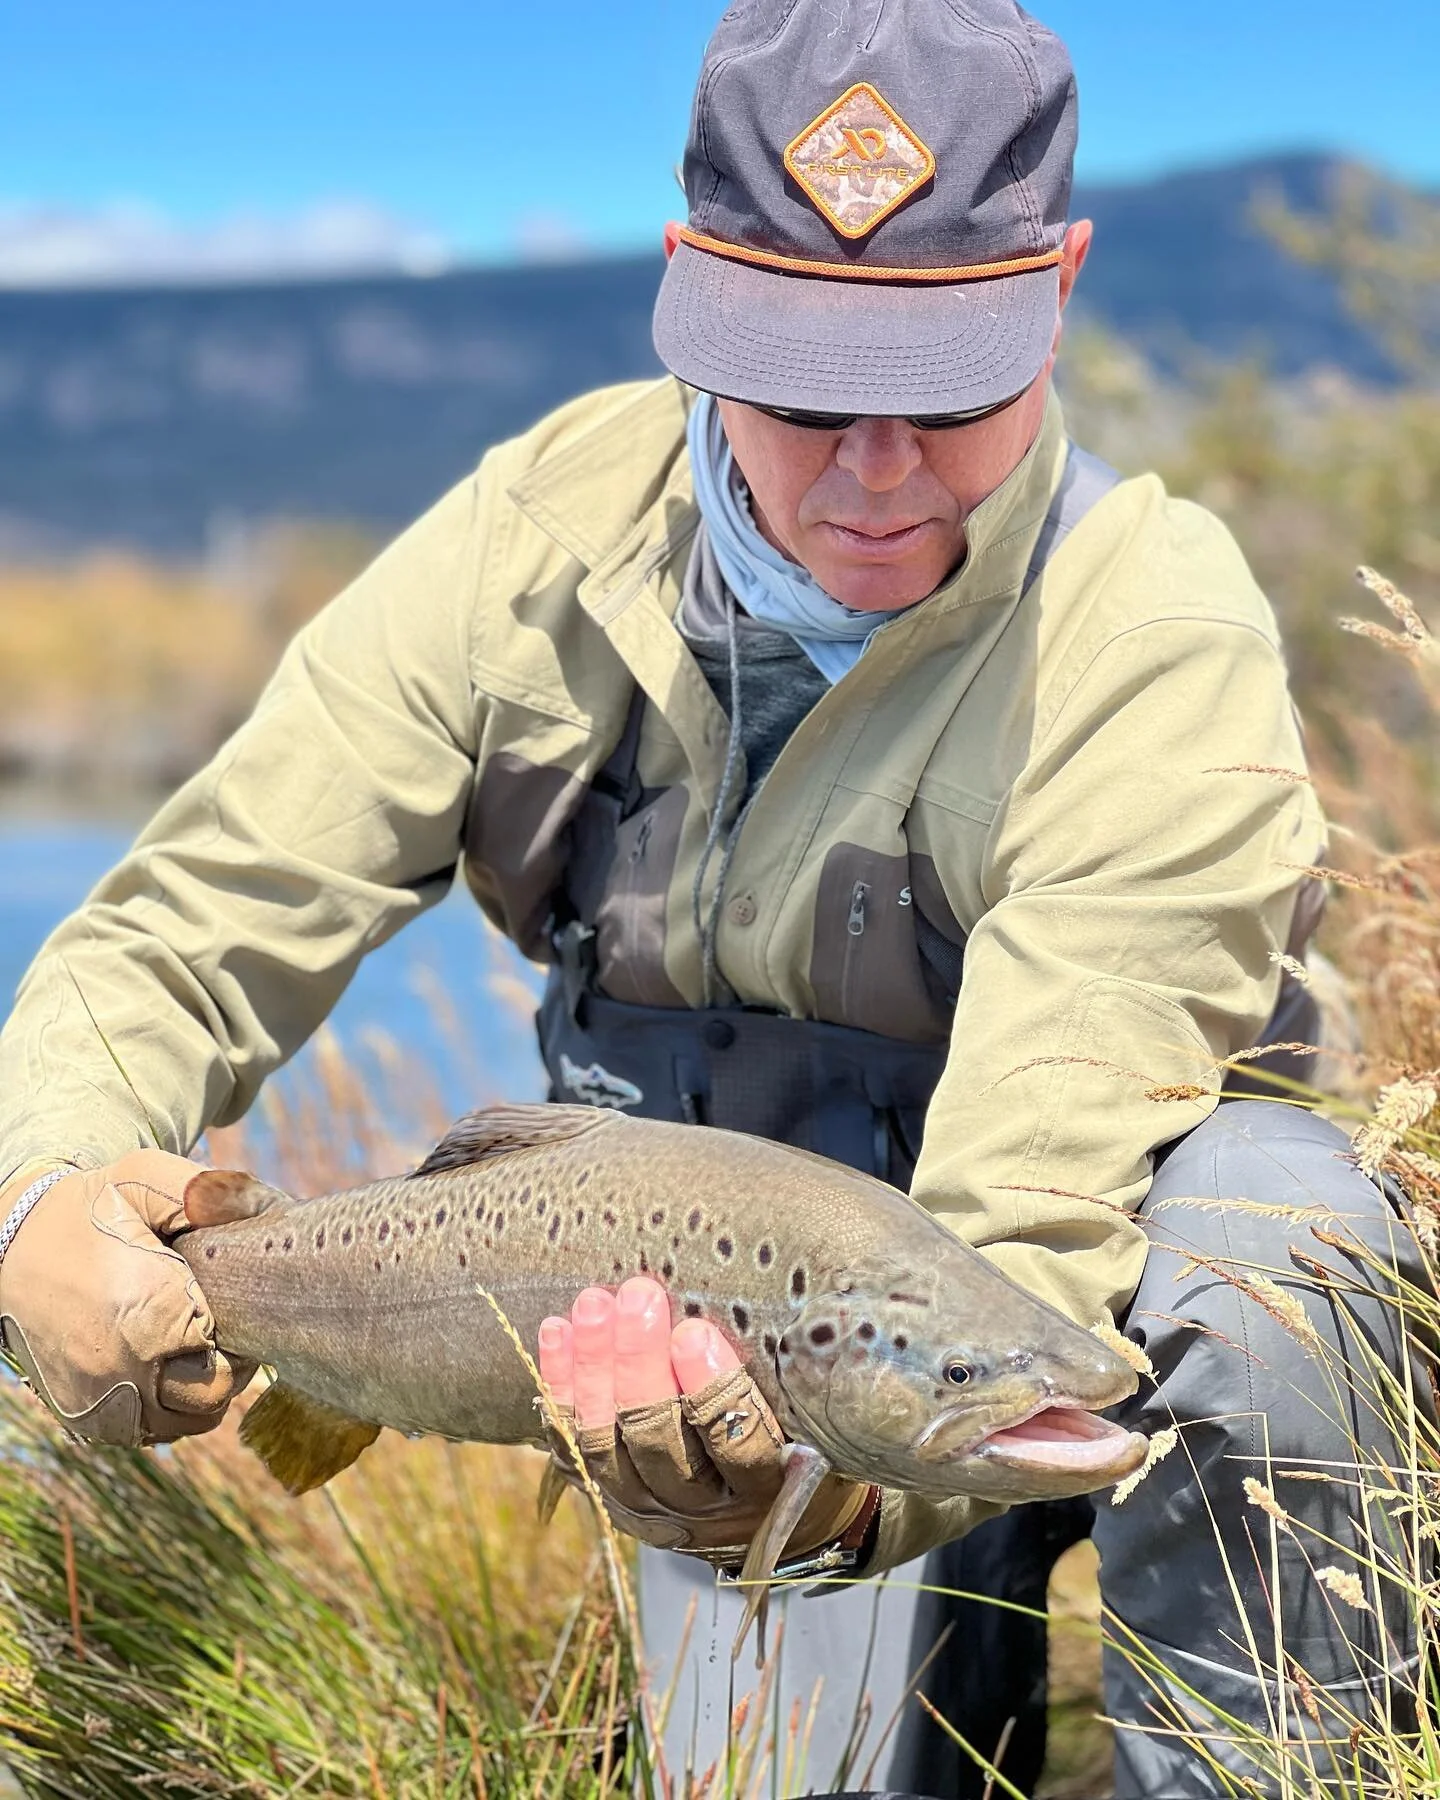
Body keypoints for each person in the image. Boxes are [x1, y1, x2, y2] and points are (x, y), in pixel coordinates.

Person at [0, 2, 1424, 1794]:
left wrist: (823, 1484)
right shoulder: (537, 531)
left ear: (1060, 287)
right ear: (687, 289)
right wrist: (47, 1190)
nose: (874, 469)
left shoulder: (1150, 635)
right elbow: (185, 929)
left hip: (1040, 1307)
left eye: (946, 388)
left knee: (1279, 1248)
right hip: (696, 1331)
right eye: (805, 385)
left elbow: (1024, 1235)